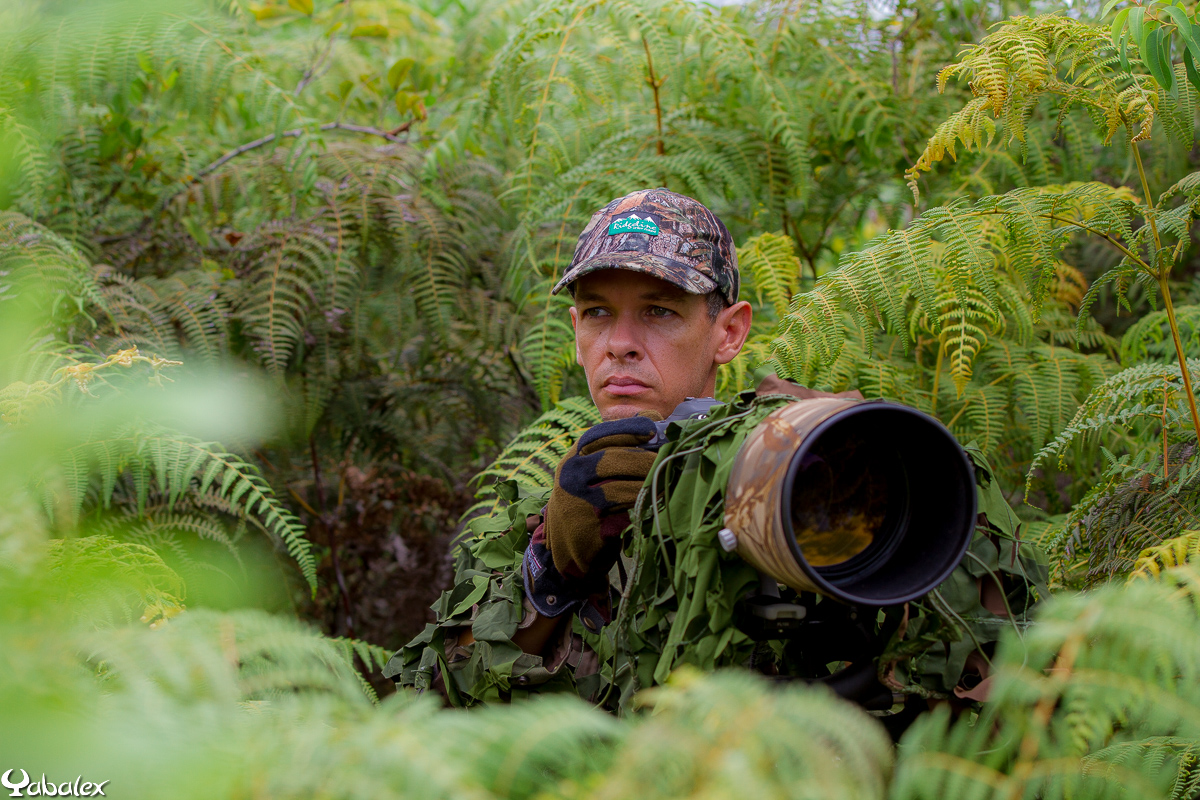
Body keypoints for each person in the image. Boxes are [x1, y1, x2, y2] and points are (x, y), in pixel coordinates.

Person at [385, 188, 756, 702]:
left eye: (659, 312)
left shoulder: (775, 478)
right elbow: (443, 704)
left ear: (729, 332)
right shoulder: (532, 522)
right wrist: (552, 570)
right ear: (576, 332)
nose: (619, 343)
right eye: (599, 313)